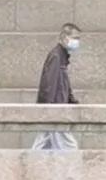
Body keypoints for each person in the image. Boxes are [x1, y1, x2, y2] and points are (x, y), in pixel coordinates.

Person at [32, 22, 79, 151]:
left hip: (56, 109)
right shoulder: (56, 56)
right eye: (75, 38)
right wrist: (49, 109)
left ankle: (29, 167)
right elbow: (49, 84)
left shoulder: (61, 57)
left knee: (41, 146)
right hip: (55, 111)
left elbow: (63, 84)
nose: (77, 41)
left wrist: (71, 100)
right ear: (65, 38)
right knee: (70, 148)